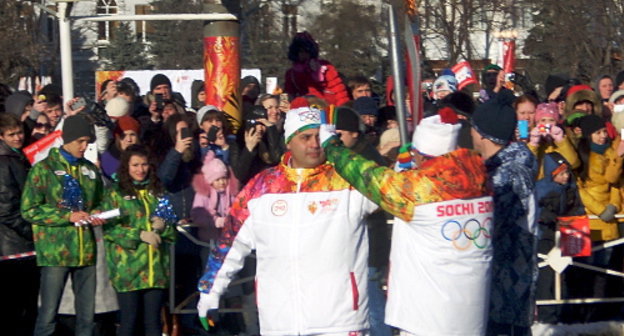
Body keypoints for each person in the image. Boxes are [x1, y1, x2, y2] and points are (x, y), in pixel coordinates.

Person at [197, 104, 378, 336]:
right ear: (289, 141)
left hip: (339, 321)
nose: (314, 144)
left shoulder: (348, 179)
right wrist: (210, 293)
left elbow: (394, 192)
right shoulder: (262, 187)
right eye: (305, 137)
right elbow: (229, 242)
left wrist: (408, 168)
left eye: (319, 136)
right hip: (279, 321)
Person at [321, 108, 494, 336]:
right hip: (470, 315)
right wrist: (409, 171)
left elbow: (365, 175)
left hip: (427, 318)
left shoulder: (415, 191)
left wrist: (331, 145)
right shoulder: (481, 183)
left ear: (422, 155)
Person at [21, 114, 105, 336]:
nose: (84, 146)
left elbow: (98, 202)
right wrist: (66, 216)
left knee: (87, 318)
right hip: (55, 252)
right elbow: (29, 209)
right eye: (80, 141)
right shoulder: (44, 169)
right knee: (48, 315)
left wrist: (98, 214)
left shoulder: (90, 170)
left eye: (87, 141)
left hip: (85, 251)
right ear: (66, 139)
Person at [470, 96, 537, 336]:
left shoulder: (508, 176)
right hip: (499, 287)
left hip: (506, 290)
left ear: (482, 134)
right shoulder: (499, 169)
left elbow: (488, 229)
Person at [100, 144, 176, 336]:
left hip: (155, 270)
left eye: (144, 164)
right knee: (129, 322)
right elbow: (109, 229)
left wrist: (164, 226)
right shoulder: (114, 193)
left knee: (153, 325)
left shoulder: (158, 192)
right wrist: (139, 234)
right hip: (128, 271)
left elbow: (173, 229)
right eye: (135, 165)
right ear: (126, 166)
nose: (140, 170)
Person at [534, 152, 585, 323]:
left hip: (568, 233)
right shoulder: (541, 188)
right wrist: (550, 217)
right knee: (546, 276)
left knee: (566, 274)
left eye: (567, 172)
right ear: (552, 173)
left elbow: (577, 206)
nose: (566, 177)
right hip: (545, 237)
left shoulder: (571, 186)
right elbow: (535, 209)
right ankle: (546, 317)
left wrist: (577, 218)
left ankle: (565, 314)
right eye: (561, 173)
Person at [0, 114, 38, 335]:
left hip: (22, 244)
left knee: (27, 307)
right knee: (17, 308)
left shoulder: (17, 157)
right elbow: (6, 209)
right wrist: (32, 231)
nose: (18, 138)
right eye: (12, 134)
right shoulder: (5, 162)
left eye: (20, 133)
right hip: (13, 246)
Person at [284, 31, 350, 106]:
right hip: (304, 109)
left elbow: (339, 90)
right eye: (301, 52)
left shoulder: (325, 68)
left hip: (327, 107)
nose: (304, 54)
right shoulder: (292, 73)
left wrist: (344, 108)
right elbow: (289, 94)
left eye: (307, 51)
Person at [527, 102, 580, 179]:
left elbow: (574, 163)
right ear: (537, 123)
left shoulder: (563, 139)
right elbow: (527, 167)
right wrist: (533, 144)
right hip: (540, 185)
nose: (547, 124)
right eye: (543, 120)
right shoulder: (532, 141)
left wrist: (561, 141)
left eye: (551, 120)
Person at [100, 115, 141, 180]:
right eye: (123, 135)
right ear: (117, 138)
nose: (129, 139)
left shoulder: (144, 157)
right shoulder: (107, 159)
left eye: (132, 135)